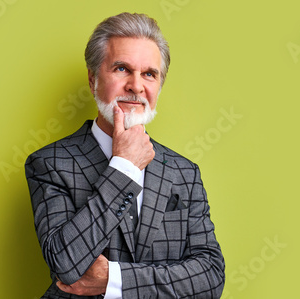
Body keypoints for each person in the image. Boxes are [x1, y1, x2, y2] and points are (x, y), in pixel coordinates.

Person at [25, 12, 225, 298]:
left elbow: (211, 276)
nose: (136, 85)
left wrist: (115, 279)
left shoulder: (185, 172)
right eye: (121, 69)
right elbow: (65, 264)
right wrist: (125, 167)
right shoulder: (50, 163)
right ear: (93, 79)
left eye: (149, 74)